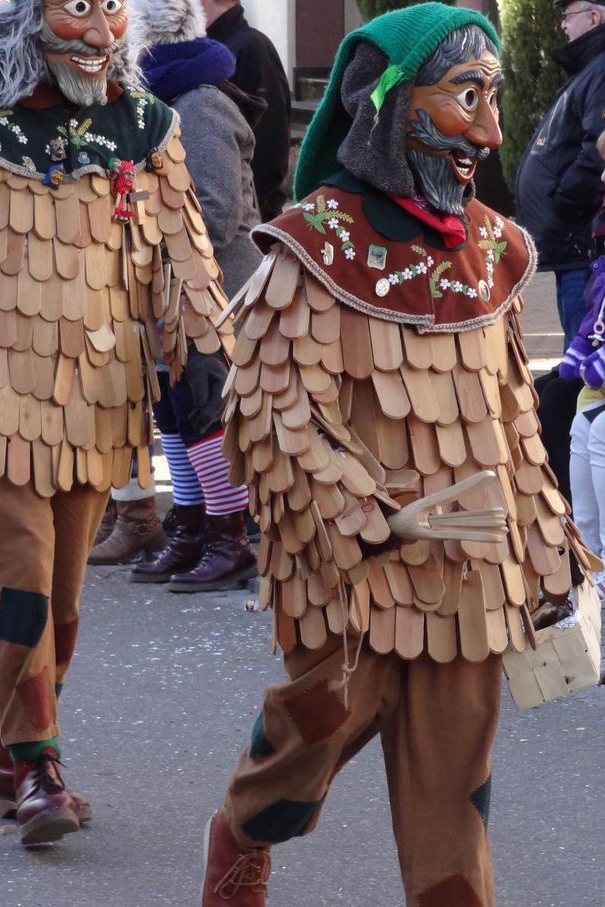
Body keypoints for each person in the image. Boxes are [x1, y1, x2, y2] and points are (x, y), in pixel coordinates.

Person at [200, 6, 590, 905]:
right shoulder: (312, 245)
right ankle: (239, 836)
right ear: (382, 102)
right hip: (352, 581)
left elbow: (508, 414)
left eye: (493, 98)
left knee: (456, 792)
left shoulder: (492, 247)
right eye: (467, 97)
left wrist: (544, 539)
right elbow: (270, 415)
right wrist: (373, 516)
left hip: (469, 582)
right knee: (311, 743)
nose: (491, 132)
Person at [0, 0, 234, 845]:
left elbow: (185, 247)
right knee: (21, 569)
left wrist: (204, 351)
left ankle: (4, 744)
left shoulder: (145, 126)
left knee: (63, 594)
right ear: (28, 17)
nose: (100, 34)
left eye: (111, 12)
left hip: (101, 391)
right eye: (76, 11)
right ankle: (38, 767)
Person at [93, 0, 260, 589]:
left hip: (211, 290)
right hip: (167, 289)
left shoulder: (201, 103)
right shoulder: (155, 102)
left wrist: (145, 251)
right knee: (174, 410)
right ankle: (191, 529)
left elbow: (212, 214)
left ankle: (229, 535)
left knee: (205, 409)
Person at [515, 0, 605, 505]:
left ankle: (575, 498)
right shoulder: (590, 69)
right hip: (569, 245)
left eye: (568, 14)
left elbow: (598, 146)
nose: (562, 25)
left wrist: (565, 205)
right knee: (574, 370)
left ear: (594, 18)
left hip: (579, 247)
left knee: (580, 373)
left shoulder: (601, 69)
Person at [559, 130, 605, 594]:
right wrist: (579, 352)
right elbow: (595, 318)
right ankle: (592, 592)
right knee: (578, 425)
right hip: (596, 400)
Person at [202, 0, 291, 221]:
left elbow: (271, 143)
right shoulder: (204, 51)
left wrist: (253, 210)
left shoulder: (252, 47)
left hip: (246, 219)